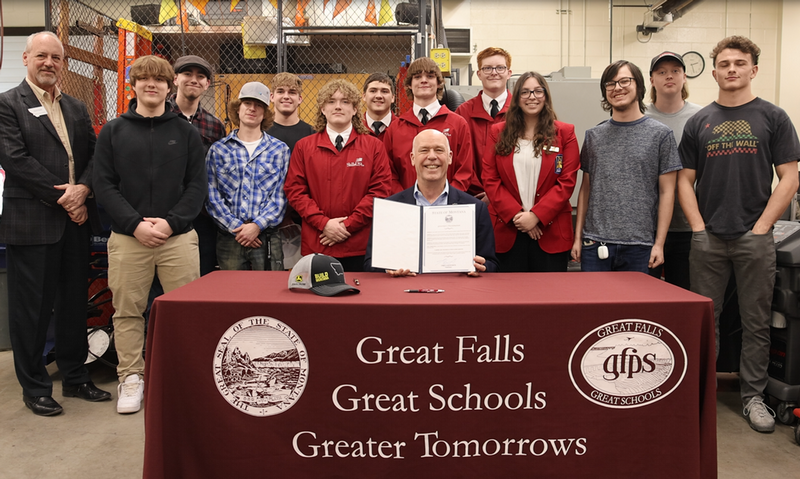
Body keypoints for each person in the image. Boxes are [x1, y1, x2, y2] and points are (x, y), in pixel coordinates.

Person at [678, 36, 800, 433]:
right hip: (708, 239)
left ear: (753, 70)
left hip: (755, 239)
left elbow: (789, 177)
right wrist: (697, 227)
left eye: (739, 63)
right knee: (705, 322)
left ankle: (753, 398)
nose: (732, 69)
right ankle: (702, 394)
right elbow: (684, 180)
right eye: (725, 63)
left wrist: (763, 227)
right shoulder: (699, 122)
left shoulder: (774, 117)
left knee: (756, 322)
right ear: (713, 72)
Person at [0, 31, 111, 416]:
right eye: (42, 56)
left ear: (63, 63)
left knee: (72, 305)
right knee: (31, 309)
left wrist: (84, 189)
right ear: (26, 58)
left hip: (76, 222)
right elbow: (15, 160)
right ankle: (35, 386)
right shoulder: (7, 105)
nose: (49, 63)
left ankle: (76, 377)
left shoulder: (77, 108)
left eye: (56, 58)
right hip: (32, 223)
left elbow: (97, 158)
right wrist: (67, 197)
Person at [93, 55, 207, 414]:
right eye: (144, 79)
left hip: (178, 239)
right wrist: (136, 225)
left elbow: (196, 186)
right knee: (128, 311)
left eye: (159, 79)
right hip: (129, 239)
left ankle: (182, 376)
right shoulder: (113, 131)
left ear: (169, 85)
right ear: (134, 85)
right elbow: (105, 186)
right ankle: (131, 378)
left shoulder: (186, 132)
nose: (152, 85)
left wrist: (171, 223)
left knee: (185, 311)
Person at [571, 60, 682, 273]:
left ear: (639, 86)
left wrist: (659, 244)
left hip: (640, 246)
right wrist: (578, 238)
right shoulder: (594, 136)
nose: (617, 88)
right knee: (594, 306)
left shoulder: (660, 135)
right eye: (610, 84)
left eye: (624, 81)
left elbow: (667, 192)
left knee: (638, 307)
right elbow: (585, 189)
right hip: (596, 244)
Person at [284, 79, 392, 272]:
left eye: (345, 102)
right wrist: (323, 224)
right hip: (318, 243)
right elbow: (295, 191)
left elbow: (380, 191)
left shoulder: (374, 146)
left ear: (355, 109)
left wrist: (348, 226)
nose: (338, 107)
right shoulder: (304, 147)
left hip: (359, 245)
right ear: (322, 109)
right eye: (331, 101)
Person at [364, 129, 498, 276]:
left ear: (450, 157)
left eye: (439, 150)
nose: (432, 156)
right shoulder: (390, 209)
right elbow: (370, 264)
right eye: (424, 150)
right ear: (413, 158)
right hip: (405, 293)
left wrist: (480, 267)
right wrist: (388, 269)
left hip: (455, 293)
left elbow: (490, 263)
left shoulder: (476, 209)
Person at [482, 72, 579, 272]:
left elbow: (567, 182)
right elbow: (490, 180)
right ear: (516, 98)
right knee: (509, 297)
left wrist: (536, 216)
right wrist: (519, 216)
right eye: (525, 92)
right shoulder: (497, 133)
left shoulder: (565, 133)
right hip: (507, 230)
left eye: (537, 91)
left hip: (550, 232)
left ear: (546, 95)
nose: (532, 97)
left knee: (549, 298)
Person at [206, 82, 290, 271]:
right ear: (238, 108)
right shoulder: (219, 150)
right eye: (247, 103)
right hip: (230, 237)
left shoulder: (280, 150)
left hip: (266, 236)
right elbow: (212, 195)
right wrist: (237, 228)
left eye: (258, 105)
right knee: (231, 295)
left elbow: (281, 196)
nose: (252, 108)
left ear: (265, 113)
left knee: (270, 293)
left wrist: (257, 226)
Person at [645, 51, 703, 288]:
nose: (669, 76)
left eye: (675, 71)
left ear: (684, 77)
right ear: (651, 80)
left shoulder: (701, 117)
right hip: (647, 227)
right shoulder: (639, 116)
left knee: (683, 294)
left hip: (687, 226)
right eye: (662, 72)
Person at [169, 55, 227, 276]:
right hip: (165, 213)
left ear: (207, 84)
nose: (194, 80)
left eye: (200, 76)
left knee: (201, 277)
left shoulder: (214, 125)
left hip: (202, 215)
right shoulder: (161, 115)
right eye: (187, 74)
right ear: (175, 79)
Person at [382, 57, 473, 194]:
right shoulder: (395, 129)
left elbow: (464, 171)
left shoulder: (458, 124)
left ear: (438, 83)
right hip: (407, 208)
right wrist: (406, 200)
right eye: (417, 76)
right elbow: (390, 174)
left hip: (447, 209)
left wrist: (448, 199)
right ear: (409, 85)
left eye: (430, 76)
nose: (424, 80)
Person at [456, 47, 513, 198]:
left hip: (514, 198)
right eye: (487, 68)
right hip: (474, 197)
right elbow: (458, 160)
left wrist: (498, 193)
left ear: (509, 73)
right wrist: (483, 193)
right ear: (479, 74)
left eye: (500, 68)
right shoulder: (463, 113)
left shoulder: (521, 111)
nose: (494, 72)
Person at [267, 72, 315, 152]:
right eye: (280, 91)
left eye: (292, 92)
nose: (286, 96)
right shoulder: (262, 132)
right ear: (272, 97)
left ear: (299, 99)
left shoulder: (312, 133)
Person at [362, 72, 397, 140]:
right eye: (373, 91)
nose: (378, 96)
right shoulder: (352, 128)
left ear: (393, 98)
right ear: (364, 96)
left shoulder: (403, 128)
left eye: (384, 91)